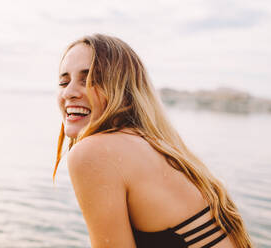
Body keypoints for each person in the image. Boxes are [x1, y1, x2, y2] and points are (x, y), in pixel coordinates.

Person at [54, 34, 252, 248]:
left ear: (126, 94)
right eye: (64, 82)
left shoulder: (93, 152)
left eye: (90, 80)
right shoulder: (154, 145)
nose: (69, 93)